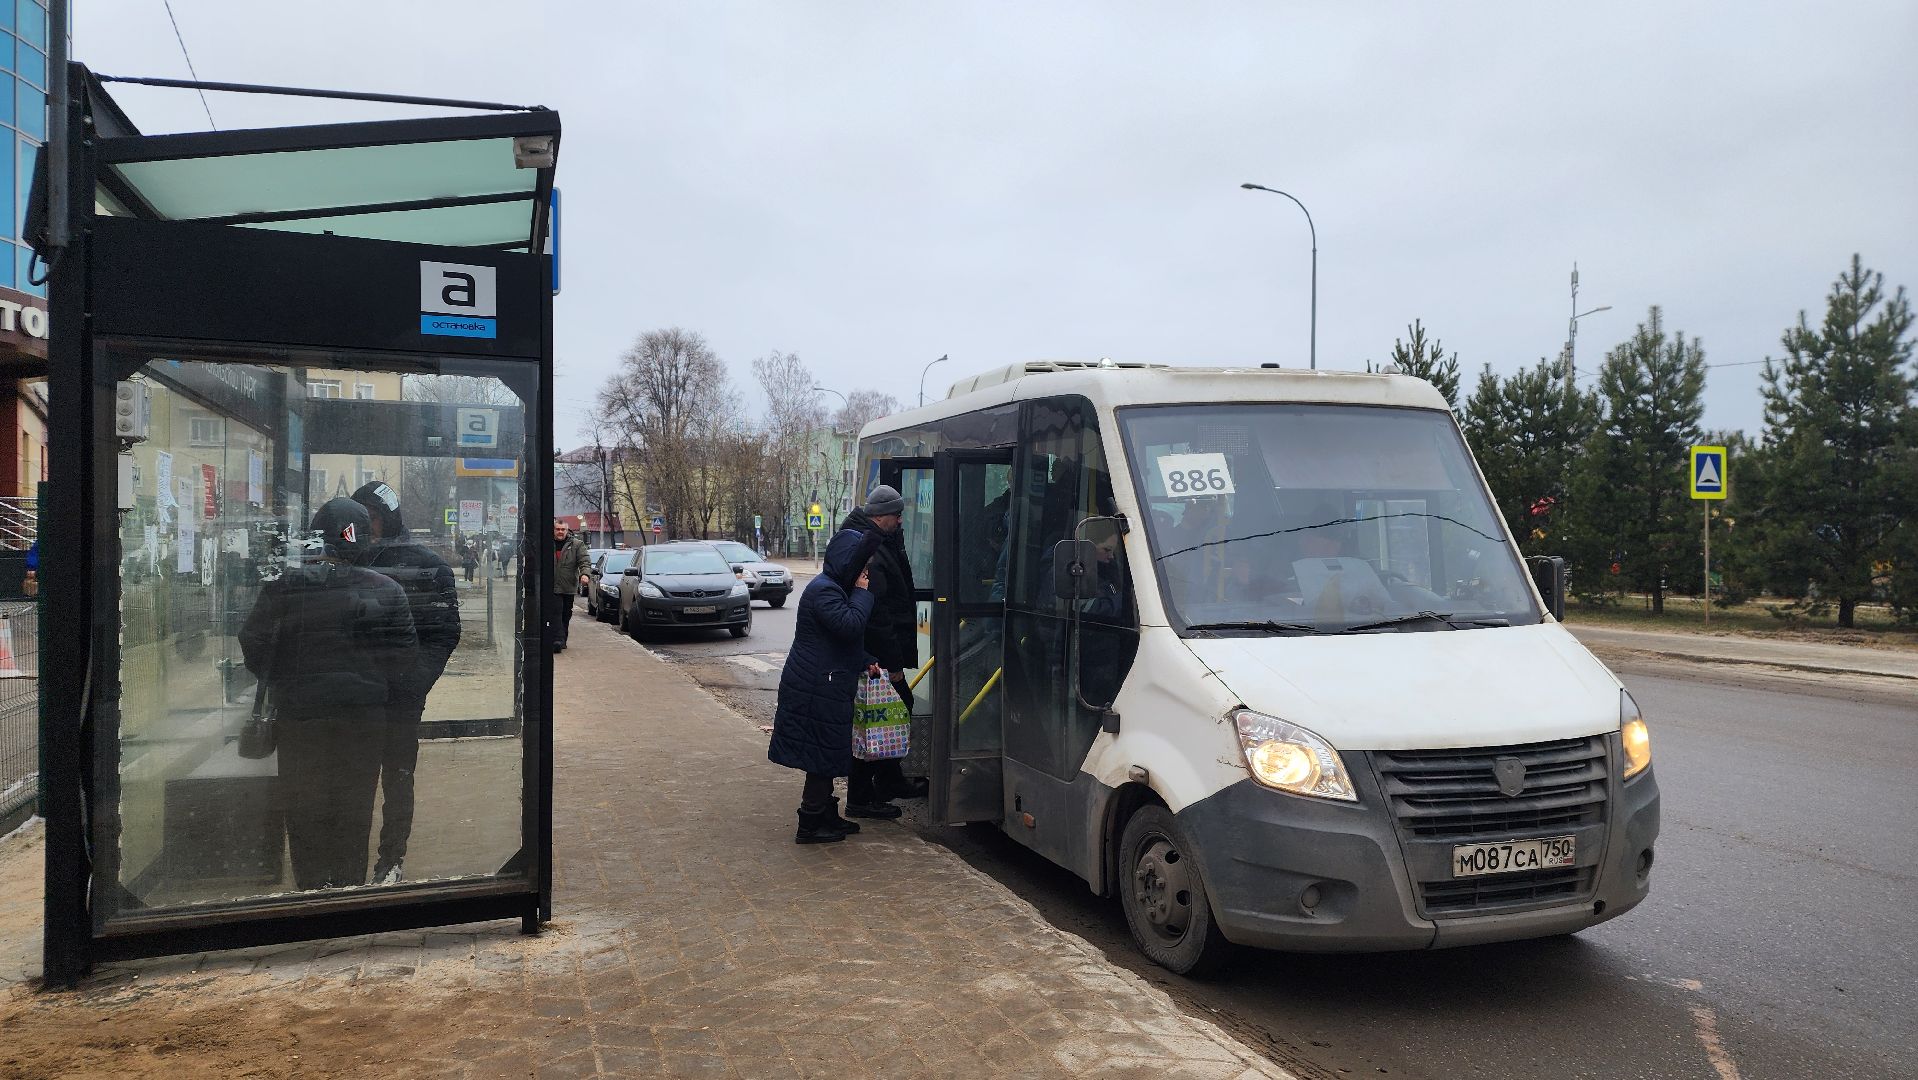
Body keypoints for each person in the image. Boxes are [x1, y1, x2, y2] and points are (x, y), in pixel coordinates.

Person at [240, 498, 417, 890]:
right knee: (354, 808)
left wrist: (291, 679)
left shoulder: (286, 587)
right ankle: (347, 891)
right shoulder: (387, 590)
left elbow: (254, 643)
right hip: (363, 721)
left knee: (303, 808)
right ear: (361, 539)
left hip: (301, 717)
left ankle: (311, 891)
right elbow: (403, 660)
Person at [351, 481, 462, 885]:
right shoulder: (345, 561)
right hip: (353, 694)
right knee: (353, 778)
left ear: (387, 518)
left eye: (373, 517)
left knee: (397, 776)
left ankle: (391, 858)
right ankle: (347, 861)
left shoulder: (424, 564)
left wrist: (413, 682)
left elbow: (445, 632)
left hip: (400, 693)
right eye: (360, 518)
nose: (367, 525)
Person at [767, 526, 883, 844]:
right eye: (862, 567)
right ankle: (810, 824)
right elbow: (849, 626)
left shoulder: (832, 587)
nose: (866, 573)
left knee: (827, 755)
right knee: (821, 757)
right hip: (816, 687)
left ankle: (826, 814)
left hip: (823, 681)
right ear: (848, 564)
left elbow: (836, 643)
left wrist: (865, 660)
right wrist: (862, 592)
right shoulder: (826, 591)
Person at [839, 484, 925, 816]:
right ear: (882, 516)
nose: (902, 521)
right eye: (898, 515)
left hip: (873, 654)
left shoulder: (879, 541)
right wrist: (892, 665)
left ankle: (887, 780)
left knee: (883, 716)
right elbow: (876, 616)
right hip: (873, 657)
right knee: (877, 718)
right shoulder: (870, 551)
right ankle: (862, 797)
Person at [550, 519, 589, 653]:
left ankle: (563, 639)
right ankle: (557, 640)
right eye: (558, 529)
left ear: (567, 530)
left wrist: (585, 574)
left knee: (566, 614)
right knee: (556, 611)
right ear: (554, 530)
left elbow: (584, 561)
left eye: (563, 529)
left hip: (568, 586)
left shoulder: (577, 544)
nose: (560, 532)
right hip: (552, 586)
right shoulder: (547, 542)